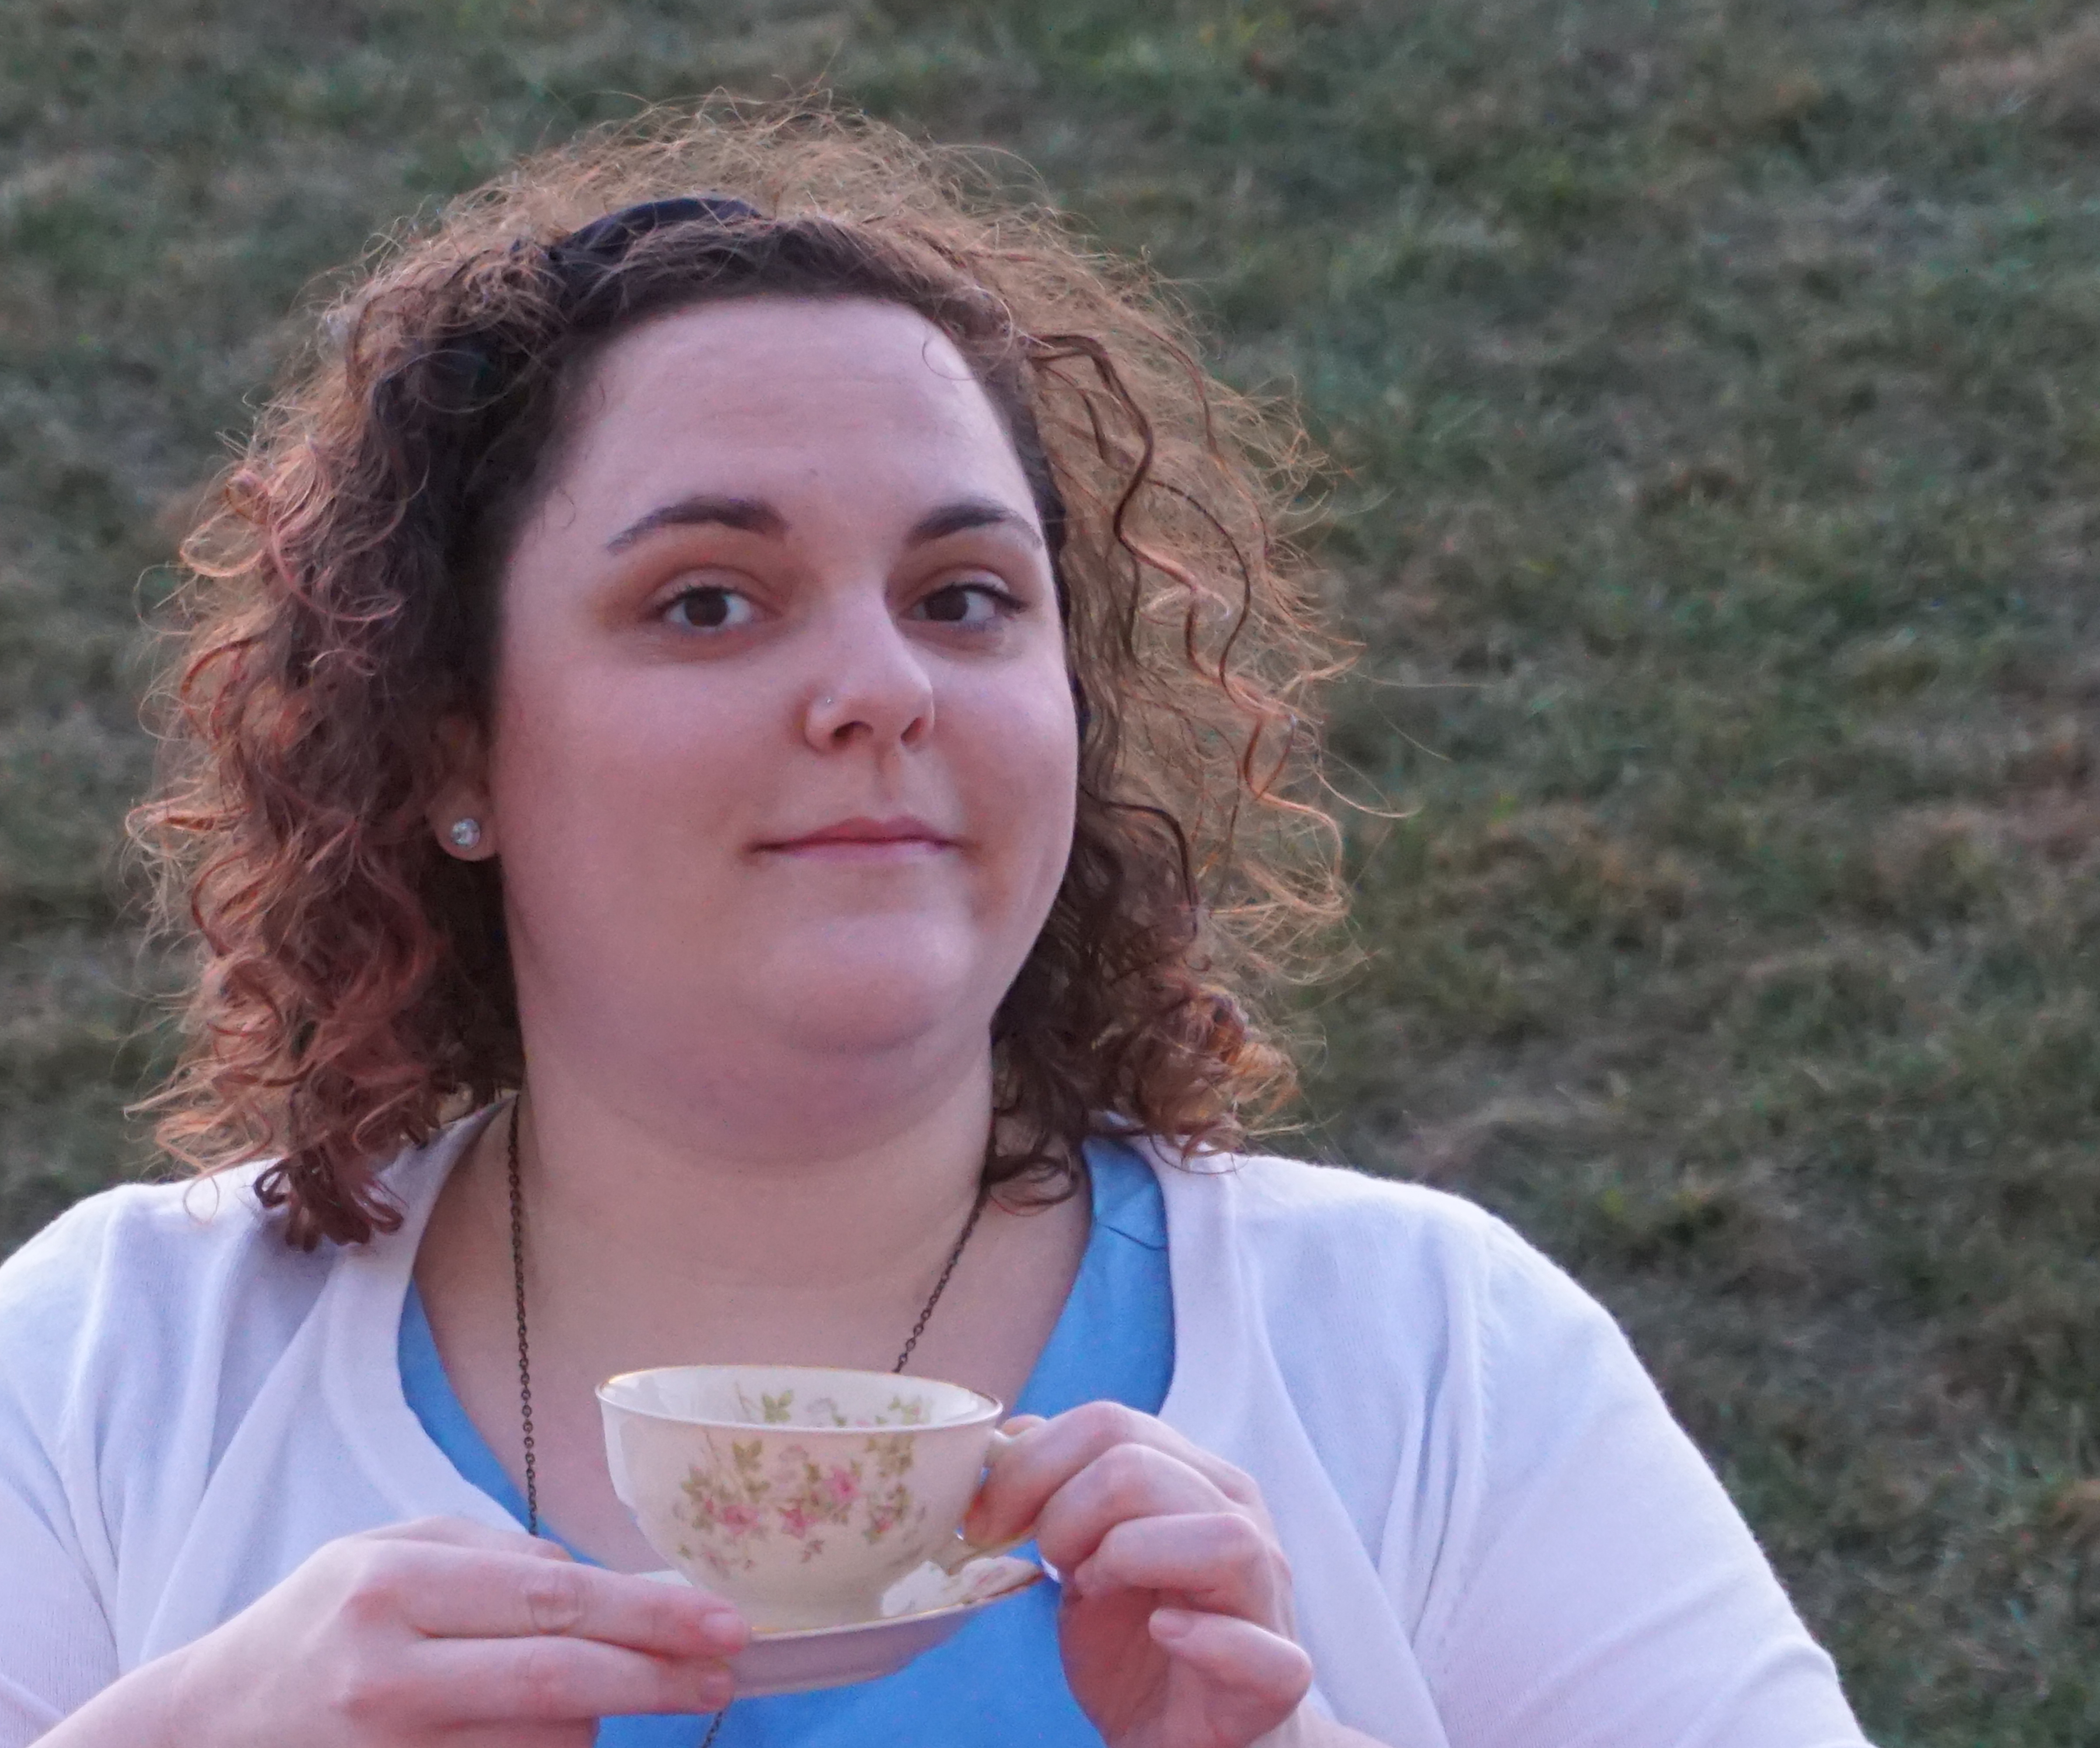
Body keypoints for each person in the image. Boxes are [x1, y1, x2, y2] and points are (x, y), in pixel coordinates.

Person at [0, 105, 1871, 1748]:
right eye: (710, 602)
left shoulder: (1427, 1356)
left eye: (965, 597)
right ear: (449, 747)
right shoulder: (116, 1372)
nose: (882, 687)